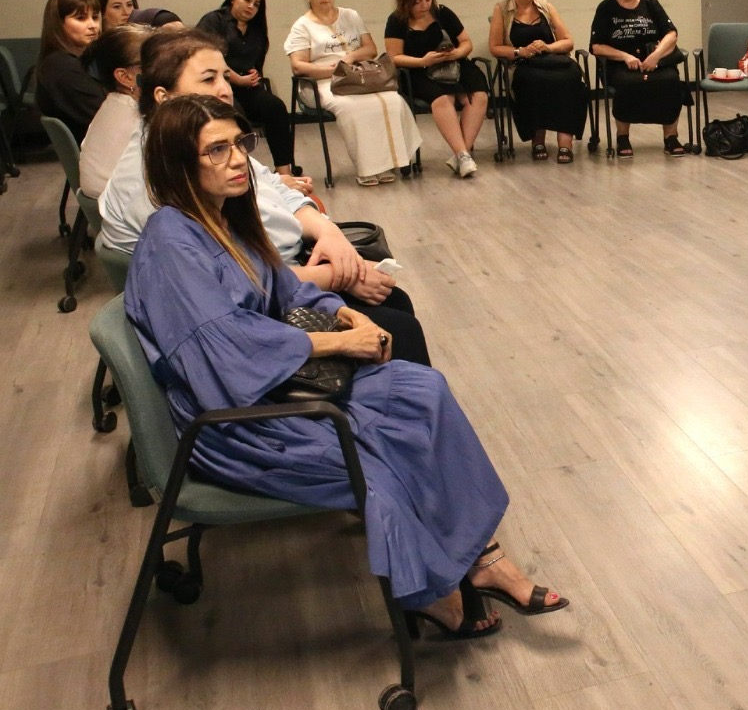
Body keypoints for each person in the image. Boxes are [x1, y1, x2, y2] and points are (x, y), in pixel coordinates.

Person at [124, 94, 567, 635]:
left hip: (274, 390)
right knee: (382, 458)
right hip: (236, 424)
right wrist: (338, 345)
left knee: (422, 389)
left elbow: (285, 288)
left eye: (240, 143)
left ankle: (482, 558)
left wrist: (345, 314)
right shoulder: (171, 244)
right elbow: (225, 351)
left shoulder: (222, 219)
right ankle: (430, 593)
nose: (238, 159)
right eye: (217, 150)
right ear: (177, 164)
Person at [99, 29, 431, 365]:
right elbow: (231, 287)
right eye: (209, 79)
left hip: (282, 277)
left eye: (226, 76)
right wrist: (340, 276)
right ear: (164, 96)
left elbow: (273, 186)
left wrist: (328, 233)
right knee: (398, 329)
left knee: (395, 305)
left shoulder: (205, 139)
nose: (225, 89)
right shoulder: (156, 179)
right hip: (254, 312)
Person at [284, 0, 421, 186]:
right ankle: (368, 168)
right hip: (323, 80)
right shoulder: (302, 26)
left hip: (358, 75)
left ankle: (391, 162)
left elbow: (371, 49)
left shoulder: (350, 15)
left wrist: (350, 58)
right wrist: (333, 70)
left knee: (393, 100)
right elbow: (298, 66)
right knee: (353, 108)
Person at [384, 0, 490, 178]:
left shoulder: (443, 13)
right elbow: (394, 57)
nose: (424, 5)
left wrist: (456, 53)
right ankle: (463, 154)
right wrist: (423, 61)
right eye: (417, 2)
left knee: (479, 95)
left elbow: (466, 42)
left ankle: (462, 154)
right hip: (418, 70)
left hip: (453, 65)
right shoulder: (396, 20)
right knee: (443, 98)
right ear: (406, 2)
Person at [588, 0, 688, 158]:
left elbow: (671, 34)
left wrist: (656, 56)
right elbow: (596, 46)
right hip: (621, 64)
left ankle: (670, 137)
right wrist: (625, 56)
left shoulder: (651, 3)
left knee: (670, 80)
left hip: (654, 61)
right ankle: (623, 137)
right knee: (627, 83)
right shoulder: (606, 8)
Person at [488, 0, 588, 162]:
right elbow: (495, 47)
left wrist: (548, 47)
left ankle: (565, 143)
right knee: (532, 81)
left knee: (572, 76)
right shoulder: (502, 9)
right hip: (523, 63)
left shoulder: (546, 7)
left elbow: (568, 41)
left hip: (552, 60)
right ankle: (538, 140)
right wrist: (520, 51)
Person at [196, 0, 295, 174]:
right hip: (217, 87)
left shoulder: (256, 29)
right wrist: (235, 78)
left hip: (246, 88)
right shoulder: (214, 20)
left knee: (275, 107)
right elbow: (207, 57)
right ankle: (241, 171)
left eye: (256, 4)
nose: (251, 6)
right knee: (235, 114)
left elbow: (256, 61)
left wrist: (254, 74)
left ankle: (284, 170)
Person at [78, 24, 149, 199]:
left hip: (108, 204)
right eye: (154, 63)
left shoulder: (113, 104)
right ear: (125, 77)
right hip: (127, 207)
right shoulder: (139, 118)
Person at [35, 0, 105, 140]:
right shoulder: (63, 68)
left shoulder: (60, 61)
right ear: (58, 24)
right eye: (81, 18)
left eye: (95, 17)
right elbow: (106, 117)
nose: (93, 25)